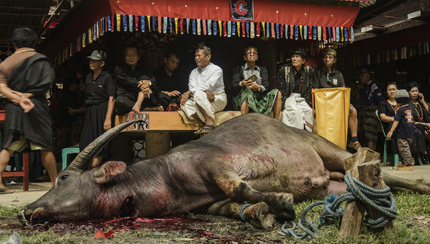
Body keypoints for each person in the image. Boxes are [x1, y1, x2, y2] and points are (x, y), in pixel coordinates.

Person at [0, 27, 58, 193]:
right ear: (35, 42)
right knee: (45, 147)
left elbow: (2, 87)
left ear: (14, 44)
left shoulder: (5, 63)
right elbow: (47, 83)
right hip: (36, 107)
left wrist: (18, 98)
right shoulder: (41, 60)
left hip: (14, 107)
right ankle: (55, 184)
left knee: (8, 146)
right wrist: (27, 96)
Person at [313, 48, 361, 150]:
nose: (327, 60)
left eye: (330, 58)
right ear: (322, 59)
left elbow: (343, 91)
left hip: (337, 105)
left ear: (335, 60)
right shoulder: (317, 73)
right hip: (323, 105)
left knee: (353, 111)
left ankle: (354, 139)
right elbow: (315, 91)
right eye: (325, 57)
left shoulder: (339, 75)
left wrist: (347, 103)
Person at [80, 50, 116, 168]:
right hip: (90, 111)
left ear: (102, 63)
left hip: (102, 110)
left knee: (100, 144)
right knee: (86, 143)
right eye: (90, 60)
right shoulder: (88, 78)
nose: (91, 62)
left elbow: (111, 99)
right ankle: (87, 171)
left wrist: (108, 119)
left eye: (94, 60)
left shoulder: (108, 77)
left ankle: (92, 171)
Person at [180, 45, 227, 134]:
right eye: (195, 56)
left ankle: (209, 122)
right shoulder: (193, 72)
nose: (196, 58)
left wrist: (190, 92)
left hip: (216, 99)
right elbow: (193, 87)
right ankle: (206, 120)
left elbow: (208, 85)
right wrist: (205, 91)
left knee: (198, 93)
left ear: (208, 56)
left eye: (199, 56)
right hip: (200, 101)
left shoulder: (217, 69)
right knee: (184, 103)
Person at [232, 46, 282, 119]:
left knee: (277, 92)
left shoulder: (262, 69)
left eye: (254, 52)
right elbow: (234, 85)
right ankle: (243, 121)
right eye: (249, 52)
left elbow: (266, 85)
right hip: (244, 97)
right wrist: (242, 83)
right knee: (246, 90)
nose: (252, 54)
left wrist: (258, 87)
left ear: (257, 57)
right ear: (244, 57)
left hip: (259, 98)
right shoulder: (238, 69)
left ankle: (276, 121)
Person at [114, 45, 162, 115]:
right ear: (124, 57)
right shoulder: (119, 70)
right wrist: (144, 86)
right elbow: (128, 82)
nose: (131, 57)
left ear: (138, 57)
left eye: (133, 55)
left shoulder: (144, 69)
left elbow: (153, 80)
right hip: (127, 97)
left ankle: (138, 104)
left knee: (145, 78)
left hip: (143, 98)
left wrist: (148, 83)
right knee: (119, 101)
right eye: (128, 55)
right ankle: (146, 108)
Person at [277, 48, 314, 131]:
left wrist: (309, 103)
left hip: (302, 98)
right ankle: (293, 133)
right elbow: (281, 89)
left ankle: (305, 133)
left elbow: (309, 88)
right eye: (293, 56)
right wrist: (283, 105)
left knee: (308, 110)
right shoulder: (284, 70)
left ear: (303, 60)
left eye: (297, 56)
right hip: (288, 97)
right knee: (293, 112)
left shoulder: (308, 70)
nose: (294, 59)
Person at [356, 69, 384, 151]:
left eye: (363, 76)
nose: (361, 78)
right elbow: (358, 100)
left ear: (368, 76)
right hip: (362, 112)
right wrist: (357, 90)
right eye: (360, 76)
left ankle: (370, 156)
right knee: (362, 135)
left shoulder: (373, 86)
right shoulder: (362, 87)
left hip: (370, 113)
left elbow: (380, 101)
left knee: (370, 136)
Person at [387, 90, 415, 171]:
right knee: (403, 149)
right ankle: (403, 163)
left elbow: (396, 121)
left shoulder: (400, 110)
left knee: (403, 149)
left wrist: (391, 131)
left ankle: (409, 164)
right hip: (410, 133)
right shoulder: (409, 108)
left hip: (402, 133)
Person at [406, 81, 430, 161]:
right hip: (415, 125)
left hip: (425, 124)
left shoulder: (420, 103)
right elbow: (409, 120)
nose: (415, 93)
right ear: (408, 92)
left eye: (416, 91)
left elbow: (428, 112)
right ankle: (423, 154)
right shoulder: (407, 104)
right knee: (420, 128)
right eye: (413, 91)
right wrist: (425, 124)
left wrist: (423, 101)